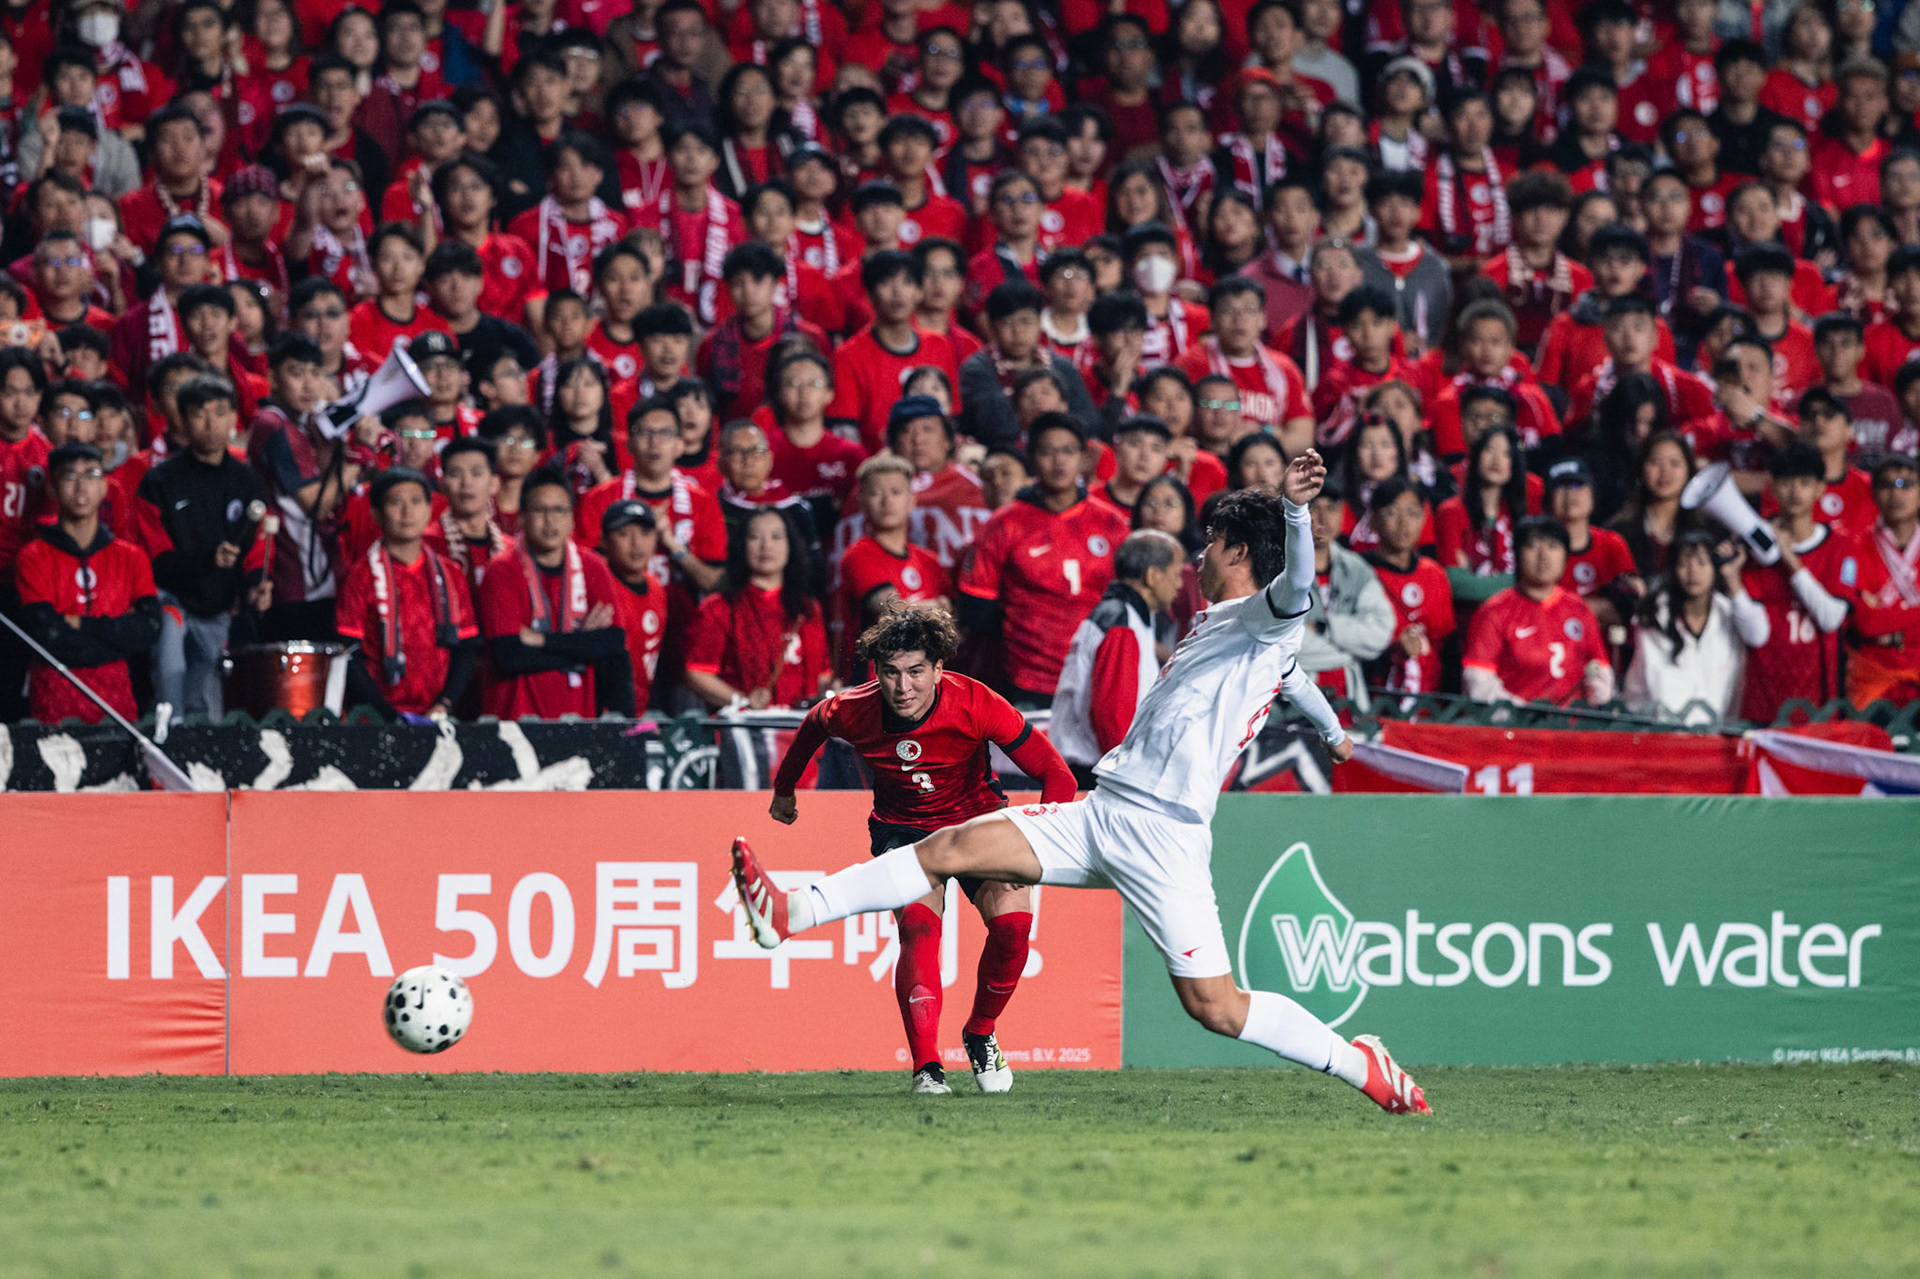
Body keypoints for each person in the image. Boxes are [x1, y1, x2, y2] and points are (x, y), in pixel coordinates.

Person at [729, 458, 1432, 1119]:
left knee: (1216, 1007)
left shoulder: (1267, 616)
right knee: (947, 846)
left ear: (1243, 552)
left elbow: (1297, 591)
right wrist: (1333, 732)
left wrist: (1297, 513)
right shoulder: (1229, 627)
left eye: (1213, 543)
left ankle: (1357, 1061)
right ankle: (790, 910)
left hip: (1165, 835)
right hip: (1105, 809)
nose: (1199, 557)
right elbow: (1295, 679)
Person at [767, 605, 1075, 1094]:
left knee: (1015, 928)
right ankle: (927, 1068)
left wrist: (1039, 850)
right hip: (904, 830)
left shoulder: (977, 702)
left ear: (938, 670)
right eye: (890, 672)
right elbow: (813, 725)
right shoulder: (854, 708)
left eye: (915, 672)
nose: (902, 686)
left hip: (978, 827)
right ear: (877, 672)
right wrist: (785, 789)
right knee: (917, 929)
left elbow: (1058, 775)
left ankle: (980, 1032)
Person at [957, 413, 1130, 708]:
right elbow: (978, 605)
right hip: (1026, 679)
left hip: (1097, 676)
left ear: (1084, 458)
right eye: (1048, 452)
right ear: (1032, 459)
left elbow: (1128, 600)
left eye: (1067, 451)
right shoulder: (1004, 523)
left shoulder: (1112, 523)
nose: (1059, 461)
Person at [137, 374, 265, 717]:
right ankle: (164, 740)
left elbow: (255, 550)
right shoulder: (158, 481)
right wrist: (207, 560)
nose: (211, 423)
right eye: (199, 413)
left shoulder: (247, 482)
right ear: (180, 419)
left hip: (218, 608)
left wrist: (255, 586)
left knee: (205, 705)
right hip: (172, 600)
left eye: (220, 412)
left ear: (234, 417)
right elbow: (155, 559)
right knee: (172, 685)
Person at [15, 441, 159, 724]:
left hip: (118, 708)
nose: (82, 487)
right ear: (52, 488)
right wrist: (117, 634)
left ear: (106, 486)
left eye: (92, 475)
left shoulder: (131, 557)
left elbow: (148, 629)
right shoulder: (32, 557)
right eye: (70, 475)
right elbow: (47, 635)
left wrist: (78, 623)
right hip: (53, 707)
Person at [477, 466, 634, 719]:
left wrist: (541, 640)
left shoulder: (593, 566)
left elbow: (613, 643)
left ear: (572, 518)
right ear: (523, 517)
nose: (550, 521)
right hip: (514, 718)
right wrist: (582, 646)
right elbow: (509, 655)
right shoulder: (501, 570)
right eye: (540, 510)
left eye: (559, 510)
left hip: (580, 718)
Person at [333, 465, 481, 719]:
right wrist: (386, 716)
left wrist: (445, 703)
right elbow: (348, 654)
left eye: (416, 501)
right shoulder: (361, 575)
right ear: (376, 514)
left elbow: (466, 646)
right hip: (377, 720)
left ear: (429, 510)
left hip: (438, 715)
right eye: (395, 502)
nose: (407, 512)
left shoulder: (451, 573)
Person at [1048, 529, 1185, 781]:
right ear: (1153, 575)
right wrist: (1126, 774)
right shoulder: (1121, 621)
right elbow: (1113, 714)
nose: (1179, 584)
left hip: (1092, 767)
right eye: (1176, 574)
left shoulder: (1123, 615)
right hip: (1098, 773)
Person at [1737, 441, 1859, 723]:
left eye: (1805, 483)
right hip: (1763, 698)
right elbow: (1752, 631)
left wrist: (1789, 558)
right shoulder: (1755, 548)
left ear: (1820, 489)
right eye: (1786, 482)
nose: (1795, 492)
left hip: (1820, 703)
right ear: (1772, 487)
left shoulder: (1841, 546)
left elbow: (1830, 618)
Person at [683, 505, 830, 709]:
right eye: (755, 537)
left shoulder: (808, 608)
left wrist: (832, 688)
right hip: (746, 729)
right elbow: (697, 673)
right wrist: (743, 701)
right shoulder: (718, 607)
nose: (766, 546)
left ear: (791, 545)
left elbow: (823, 673)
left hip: (803, 727)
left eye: (776, 537)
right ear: (742, 546)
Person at [1462, 515, 1614, 707]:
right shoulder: (1494, 611)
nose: (1544, 556)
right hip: (1513, 728)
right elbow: (1478, 681)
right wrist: (1525, 714)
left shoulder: (1579, 610)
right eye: (1533, 546)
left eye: (1553, 546)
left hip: (1571, 729)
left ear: (1566, 556)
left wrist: (1598, 695)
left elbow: (1598, 670)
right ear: (1517, 554)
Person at [1623, 529, 1765, 724]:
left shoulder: (1727, 611)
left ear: (1715, 568)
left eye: (1702, 563)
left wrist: (1732, 578)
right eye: (1683, 564)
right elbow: (1657, 683)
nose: (1693, 572)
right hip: (1662, 732)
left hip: (1718, 734)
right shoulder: (1654, 616)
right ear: (1673, 570)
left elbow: (1758, 635)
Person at [831, 452, 949, 680]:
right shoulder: (859, 555)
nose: (887, 502)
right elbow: (893, 611)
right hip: (875, 682)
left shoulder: (929, 560)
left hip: (925, 682)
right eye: (876, 493)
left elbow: (955, 618)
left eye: (895, 492)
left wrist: (923, 608)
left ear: (912, 499)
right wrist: (939, 606)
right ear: (862, 501)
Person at [1297, 488, 1395, 705]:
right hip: (1291, 696)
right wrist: (1349, 650)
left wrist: (1325, 627)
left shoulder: (1356, 569)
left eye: (1331, 508)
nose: (1323, 517)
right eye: (1313, 508)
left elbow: (1380, 633)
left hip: (1348, 696)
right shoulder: (1277, 568)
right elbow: (1282, 643)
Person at [1361, 476, 1454, 697]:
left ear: (1424, 518)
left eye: (1413, 513)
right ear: (1373, 520)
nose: (1404, 523)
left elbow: (1449, 648)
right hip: (1375, 701)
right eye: (1392, 513)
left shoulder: (1434, 573)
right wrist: (1393, 652)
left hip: (1431, 704)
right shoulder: (1359, 572)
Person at [1846, 456, 1920, 707]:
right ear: (1874, 495)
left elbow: (1874, 619)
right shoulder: (1854, 545)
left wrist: (1887, 623)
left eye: (1906, 484)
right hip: (1872, 675)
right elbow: (1864, 622)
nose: (1896, 494)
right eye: (1887, 485)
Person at [599, 497, 671, 714]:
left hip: (644, 713)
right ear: (604, 541)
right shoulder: (599, 586)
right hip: (606, 715)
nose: (636, 543)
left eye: (645, 533)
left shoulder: (656, 588)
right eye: (623, 534)